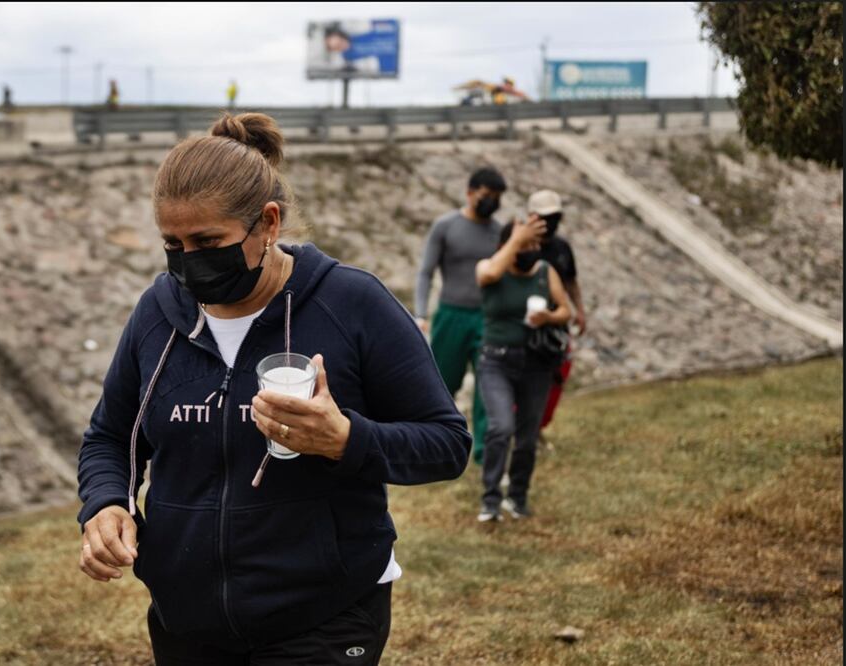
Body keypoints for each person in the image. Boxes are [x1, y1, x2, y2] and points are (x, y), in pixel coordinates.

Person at [77, 112, 471, 664]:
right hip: (185, 622)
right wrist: (105, 504)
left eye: (208, 241)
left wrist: (343, 439)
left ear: (268, 223)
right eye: (173, 244)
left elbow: (447, 444)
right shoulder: (156, 315)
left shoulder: (352, 304)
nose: (189, 264)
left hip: (325, 617)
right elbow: (110, 437)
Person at [474, 218, 572, 522]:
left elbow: (565, 309)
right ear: (507, 244)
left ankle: (517, 497)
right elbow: (488, 273)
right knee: (500, 427)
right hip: (496, 362)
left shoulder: (545, 272)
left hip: (536, 364)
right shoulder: (489, 268)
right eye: (525, 244)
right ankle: (490, 500)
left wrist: (549, 317)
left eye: (535, 245)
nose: (532, 250)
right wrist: (517, 239)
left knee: (527, 437)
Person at [415, 168, 506, 464]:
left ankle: (483, 451)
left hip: (487, 318)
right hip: (451, 315)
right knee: (441, 381)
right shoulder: (446, 226)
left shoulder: (499, 232)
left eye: (496, 198)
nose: (491, 202)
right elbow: (426, 271)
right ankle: (432, 443)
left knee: (486, 382)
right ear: (470, 192)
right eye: (486, 196)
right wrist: (420, 312)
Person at [529, 190, 586, 441]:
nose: (550, 223)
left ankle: (539, 427)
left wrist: (579, 310)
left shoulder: (562, 248)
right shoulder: (522, 247)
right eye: (545, 217)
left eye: (555, 217)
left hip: (557, 325)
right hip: (528, 324)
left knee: (557, 374)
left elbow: (571, 280)